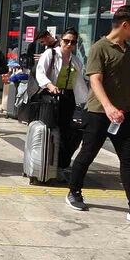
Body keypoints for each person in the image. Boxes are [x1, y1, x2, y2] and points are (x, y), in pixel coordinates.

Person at [66, 5, 130, 222]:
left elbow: (128, 84)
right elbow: (95, 80)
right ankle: (73, 191)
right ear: (125, 24)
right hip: (99, 112)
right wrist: (109, 107)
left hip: (124, 114)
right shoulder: (99, 48)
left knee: (129, 159)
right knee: (87, 154)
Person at [35, 28, 89, 181]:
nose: (69, 44)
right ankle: (47, 165)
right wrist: (49, 85)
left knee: (68, 133)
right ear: (61, 40)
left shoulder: (75, 61)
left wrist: (85, 101)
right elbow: (40, 72)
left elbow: (79, 82)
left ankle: (61, 165)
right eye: (66, 41)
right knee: (51, 131)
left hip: (68, 98)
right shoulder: (51, 54)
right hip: (51, 98)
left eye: (73, 42)